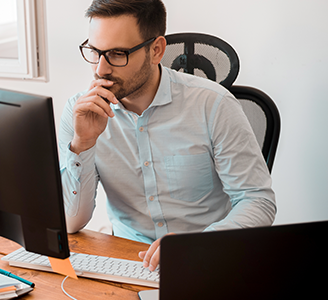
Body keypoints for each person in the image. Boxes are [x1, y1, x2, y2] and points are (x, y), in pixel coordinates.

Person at [58, 0, 276, 273]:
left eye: (117, 54)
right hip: (127, 260)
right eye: (95, 51)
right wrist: (83, 144)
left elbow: (257, 201)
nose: (100, 69)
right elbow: (70, 222)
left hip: (204, 259)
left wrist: (200, 244)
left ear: (156, 50)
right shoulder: (81, 112)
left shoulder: (213, 105)